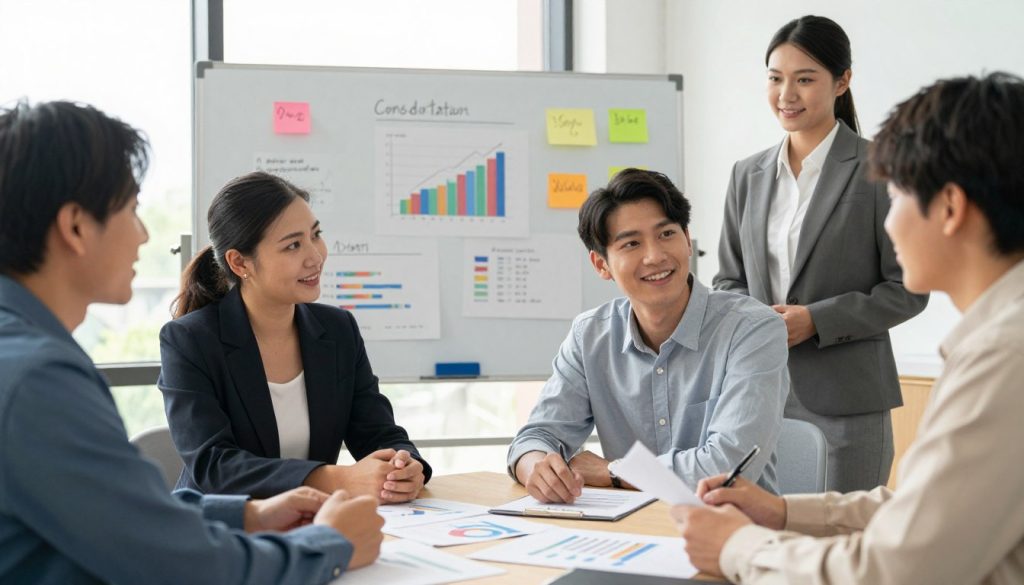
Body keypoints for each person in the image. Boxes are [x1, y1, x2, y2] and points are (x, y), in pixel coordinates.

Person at [0, 100, 384, 583]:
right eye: (131, 211)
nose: (143, 236)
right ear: (76, 227)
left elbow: (119, 517)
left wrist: (245, 515)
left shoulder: (21, 354)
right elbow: (170, 563)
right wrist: (330, 544)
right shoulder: (38, 380)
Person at [674, 72, 1024, 584]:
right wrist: (783, 513)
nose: (888, 223)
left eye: (897, 197)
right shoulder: (1000, 339)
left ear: (950, 208)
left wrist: (739, 547)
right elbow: (924, 511)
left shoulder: (1003, 356)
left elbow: (895, 569)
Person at [713, 15, 928, 492]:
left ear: (842, 81)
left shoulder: (881, 169)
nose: (786, 94)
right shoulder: (746, 175)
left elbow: (909, 289)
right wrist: (760, 322)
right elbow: (728, 280)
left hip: (847, 404)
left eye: (805, 79)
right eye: (775, 78)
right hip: (758, 398)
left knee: (843, 533)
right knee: (761, 532)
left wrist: (816, 320)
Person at [507, 168, 790, 503]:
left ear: (687, 239)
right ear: (601, 265)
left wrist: (614, 471)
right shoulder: (590, 336)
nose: (655, 256)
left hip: (732, 525)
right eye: (632, 243)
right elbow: (537, 437)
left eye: (666, 234)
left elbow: (726, 470)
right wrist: (538, 468)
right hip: (634, 526)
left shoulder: (753, 329)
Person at [158, 171, 430, 501]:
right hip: (224, 524)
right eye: (293, 245)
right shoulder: (189, 340)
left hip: (311, 519)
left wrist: (405, 465)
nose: (315, 256)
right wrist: (335, 478)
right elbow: (215, 467)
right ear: (240, 263)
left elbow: (376, 432)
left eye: (316, 235)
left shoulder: (338, 329)